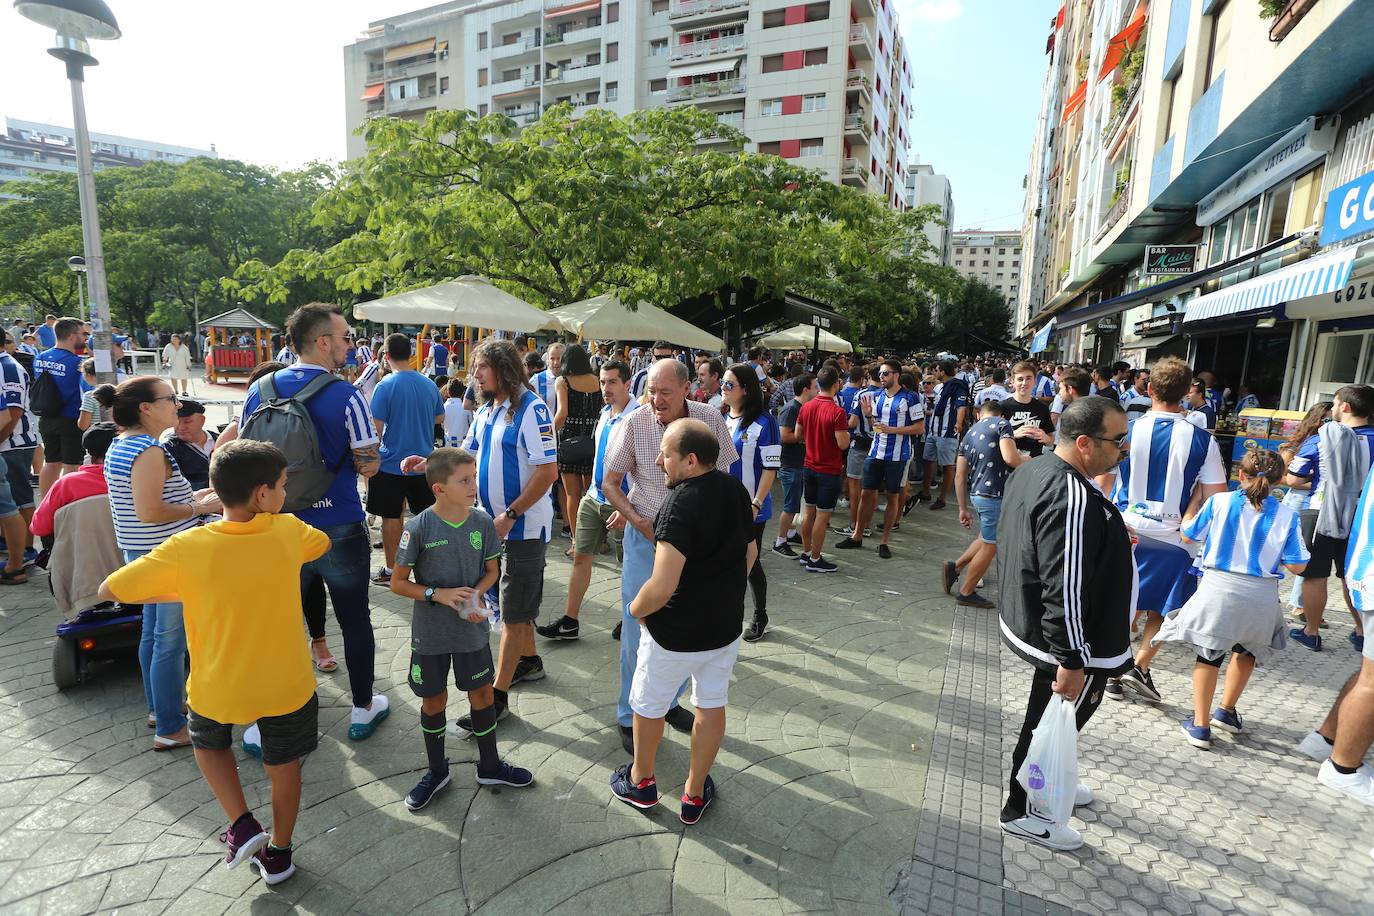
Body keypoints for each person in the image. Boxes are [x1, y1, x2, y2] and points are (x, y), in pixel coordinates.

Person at [100, 440, 327, 885]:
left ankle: (242, 822)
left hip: (217, 683)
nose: (285, 493)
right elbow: (319, 545)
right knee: (285, 768)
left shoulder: (188, 547)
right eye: (282, 486)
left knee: (208, 744)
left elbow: (112, 588)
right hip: (287, 683)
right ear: (262, 495)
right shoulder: (287, 530)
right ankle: (280, 853)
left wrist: (188, 588)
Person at [240, 303, 389, 742]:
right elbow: (368, 465)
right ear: (323, 342)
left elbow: (244, 456)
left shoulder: (260, 389)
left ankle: (268, 716)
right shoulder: (347, 395)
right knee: (355, 618)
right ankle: (362, 706)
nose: (350, 346)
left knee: (277, 621)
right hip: (337, 523)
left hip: (278, 525)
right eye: (345, 338)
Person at [998, 396, 1133, 851]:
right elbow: (1064, 582)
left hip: (1052, 631)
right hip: (1069, 642)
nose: (1124, 450)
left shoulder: (1038, 469)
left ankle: (1053, 776)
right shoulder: (1070, 492)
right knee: (1048, 720)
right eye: (1118, 441)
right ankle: (1024, 808)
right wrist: (1071, 658)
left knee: (1057, 723)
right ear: (1083, 443)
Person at [610, 418, 755, 825]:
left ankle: (641, 782)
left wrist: (635, 609)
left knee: (648, 705)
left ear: (690, 461)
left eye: (665, 455)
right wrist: (722, 592)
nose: (658, 462)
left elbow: (662, 584)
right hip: (723, 628)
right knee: (711, 704)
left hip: (673, 633)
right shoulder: (735, 489)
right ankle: (694, 793)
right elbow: (750, 554)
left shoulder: (677, 504)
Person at [602, 357, 738, 753]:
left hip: (696, 545)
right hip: (648, 539)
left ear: (685, 390)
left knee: (685, 626)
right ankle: (630, 715)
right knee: (637, 627)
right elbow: (610, 482)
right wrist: (637, 520)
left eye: (664, 392)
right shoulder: (635, 422)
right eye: (651, 391)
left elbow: (726, 474)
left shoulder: (708, 417)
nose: (656, 400)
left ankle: (667, 703)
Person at [390, 447, 534, 810]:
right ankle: (437, 772)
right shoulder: (418, 526)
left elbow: (491, 572)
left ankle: (490, 766)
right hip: (431, 634)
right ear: (439, 489)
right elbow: (398, 583)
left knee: (482, 695)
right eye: (465, 480)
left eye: (474, 478)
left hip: (471, 632)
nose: (473, 486)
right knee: (433, 699)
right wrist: (438, 594)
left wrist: (475, 599)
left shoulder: (483, 523)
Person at [434, 339, 561, 732]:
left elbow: (547, 473)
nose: (475, 376)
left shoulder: (532, 409)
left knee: (512, 612)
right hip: (493, 527)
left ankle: (496, 700)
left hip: (521, 529)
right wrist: (429, 462)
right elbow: (466, 456)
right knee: (511, 608)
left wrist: (509, 515)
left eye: (481, 368)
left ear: (503, 368)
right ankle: (529, 661)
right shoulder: (489, 409)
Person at [1152, 449, 1308, 749]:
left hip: (1219, 589)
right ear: (1279, 482)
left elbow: (1188, 536)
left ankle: (1200, 725)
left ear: (1240, 474)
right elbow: (1298, 565)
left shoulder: (1219, 502)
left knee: (1209, 656)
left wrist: (1189, 512)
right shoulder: (1288, 516)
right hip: (1261, 596)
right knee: (1245, 651)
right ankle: (1227, 711)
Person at [98, 377, 222, 749]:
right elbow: (150, 510)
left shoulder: (124, 443)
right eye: (171, 400)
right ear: (145, 408)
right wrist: (201, 507)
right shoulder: (147, 450)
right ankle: (169, 727)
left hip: (144, 554)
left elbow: (153, 498)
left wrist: (196, 497)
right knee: (169, 642)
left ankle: (160, 709)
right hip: (166, 556)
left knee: (153, 636)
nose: (178, 407)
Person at [1103, 356, 1227, 703]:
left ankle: (1115, 668)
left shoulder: (1126, 430)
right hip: (1174, 538)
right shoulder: (1203, 440)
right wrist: (1193, 506)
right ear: (1188, 392)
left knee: (1126, 598)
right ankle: (1138, 666)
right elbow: (1217, 498)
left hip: (1125, 527)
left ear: (1150, 388)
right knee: (1163, 608)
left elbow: (1103, 478)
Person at [537, 359, 637, 641]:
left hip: (621, 502)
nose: (605, 388)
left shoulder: (638, 417)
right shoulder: (605, 413)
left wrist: (628, 504)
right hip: (593, 497)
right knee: (581, 558)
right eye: (603, 382)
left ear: (627, 384)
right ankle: (570, 621)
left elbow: (644, 468)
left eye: (612, 382)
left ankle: (630, 617)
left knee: (628, 565)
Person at [1300, 460, 1374, 805]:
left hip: (1361, 562)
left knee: (1368, 673)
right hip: (1366, 568)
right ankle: (1343, 766)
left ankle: (1329, 740)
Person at [1285, 384, 1374, 651]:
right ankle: (1362, 632)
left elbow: (1294, 476)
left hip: (1321, 512)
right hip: (1363, 516)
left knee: (1315, 575)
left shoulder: (1321, 438)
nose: (1333, 409)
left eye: (1335, 404)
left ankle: (1311, 632)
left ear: (1345, 406)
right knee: (1353, 575)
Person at [366, 335, 446, 583]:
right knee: (427, 518)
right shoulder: (429, 384)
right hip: (424, 463)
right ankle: (429, 569)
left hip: (390, 462)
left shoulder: (385, 385)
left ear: (386, 356)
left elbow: (375, 430)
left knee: (391, 517)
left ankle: (392, 570)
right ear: (411, 355)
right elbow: (439, 419)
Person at [835, 359, 924, 558]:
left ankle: (884, 542)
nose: (881, 377)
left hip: (897, 456)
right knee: (866, 494)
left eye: (885, 374)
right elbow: (878, 427)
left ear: (896, 375)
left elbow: (919, 428)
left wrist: (892, 430)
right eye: (880, 374)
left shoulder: (910, 398)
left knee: (892, 496)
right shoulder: (877, 396)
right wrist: (868, 417)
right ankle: (857, 535)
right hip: (875, 453)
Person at [722, 363, 780, 641]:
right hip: (723, 506)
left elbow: (770, 469)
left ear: (745, 390)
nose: (723, 388)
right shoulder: (720, 417)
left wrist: (756, 502)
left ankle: (759, 615)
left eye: (729, 384)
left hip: (751, 508)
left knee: (749, 562)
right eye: (723, 383)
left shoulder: (765, 423)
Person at [947, 400, 1022, 608]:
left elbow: (960, 476)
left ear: (979, 414)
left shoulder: (969, 433)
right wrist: (1031, 460)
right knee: (991, 545)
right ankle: (966, 592)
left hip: (978, 494)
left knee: (985, 537)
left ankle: (955, 567)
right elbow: (1011, 458)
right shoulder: (1002, 425)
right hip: (995, 494)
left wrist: (962, 508)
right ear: (1001, 415)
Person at [795, 366, 850, 573]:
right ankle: (815, 559)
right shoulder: (837, 412)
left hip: (809, 466)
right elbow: (843, 443)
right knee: (822, 516)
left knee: (808, 512)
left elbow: (799, 435)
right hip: (829, 470)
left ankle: (807, 552)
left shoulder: (806, 407)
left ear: (818, 384)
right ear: (836, 384)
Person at [33, 317, 89, 495]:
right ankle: (68, 503)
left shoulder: (40, 357)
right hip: (70, 417)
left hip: (46, 416)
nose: (85, 338)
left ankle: (46, 503)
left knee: (51, 462)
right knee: (72, 464)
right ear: (72, 336)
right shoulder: (75, 362)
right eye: (83, 334)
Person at [554, 344, 601, 548]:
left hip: (570, 440)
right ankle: (597, 540)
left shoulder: (563, 381)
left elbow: (562, 413)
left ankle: (576, 541)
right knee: (592, 492)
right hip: (593, 439)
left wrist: (547, 433)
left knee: (572, 494)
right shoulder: (597, 380)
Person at [0, 343, 37, 583]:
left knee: (20, 501)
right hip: (10, 443)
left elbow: (13, 412)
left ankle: (26, 551)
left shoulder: (7, 367)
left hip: (14, 443)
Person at [772, 373, 814, 557]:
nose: (818, 390)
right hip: (790, 464)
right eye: (815, 387)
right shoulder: (792, 409)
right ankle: (780, 541)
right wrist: (805, 438)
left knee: (794, 504)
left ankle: (789, 533)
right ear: (806, 389)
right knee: (790, 506)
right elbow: (783, 436)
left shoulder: (800, 407)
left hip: (797, 463)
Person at [921, 361, 969, 510]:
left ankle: (942, 499)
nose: (935, 373)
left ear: (942, 372)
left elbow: (961, 407)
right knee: (927, 460)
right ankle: (925, 492)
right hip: (933, 431)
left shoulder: (957, 386)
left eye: (936, 370)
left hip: (947, 432)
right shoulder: (939, 387)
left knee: (948, 466)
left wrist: (959, 424)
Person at [1001, 361, 1055, 460]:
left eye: (1028, 378)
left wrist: (1045, 438)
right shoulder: (1002, 407)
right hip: (1008, 466)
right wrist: (1012, 435)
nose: (1024, 383)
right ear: (1012, 381)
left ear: (1035, 381)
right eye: (1020, 379)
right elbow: (992, 439)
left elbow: (1051, 439)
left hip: (1034, 464)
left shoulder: (1042, 408)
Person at [160, 399, 217, 491]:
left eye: (187, 422)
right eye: (177, 422)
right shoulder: (169, 448)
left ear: (202, 420)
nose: (181, 427)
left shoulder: (220, 439)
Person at [531, 341, 562, 415]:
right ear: (547, 360)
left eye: (559, 358)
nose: (556, 362)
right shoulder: (536, 380)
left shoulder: (570, 380)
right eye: (552, 358)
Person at [442, 378, 471, 447]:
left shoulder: (444, 407)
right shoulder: (467, 408)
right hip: (463, 443)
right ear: (463, 393)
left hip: (448, 442)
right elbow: (471, 423)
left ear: (448, 392)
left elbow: (442, 425)